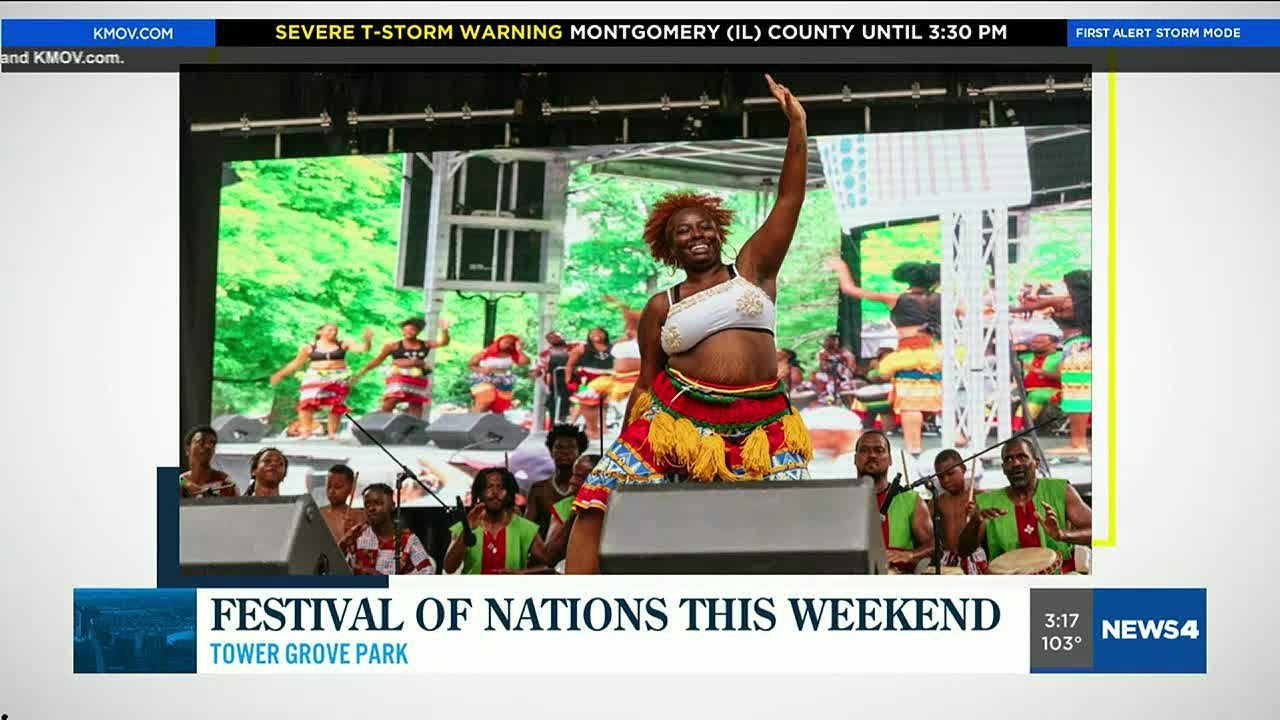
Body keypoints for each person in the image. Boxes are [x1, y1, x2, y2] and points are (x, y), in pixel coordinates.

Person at [567, 74, 813, 574]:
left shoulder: (753, 270)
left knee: (779, 519)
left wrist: (798, 128)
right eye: (684, 231)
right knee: (598, 497)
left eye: (704, 226)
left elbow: (789, 201)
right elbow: (648, 377)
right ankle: (576, 608)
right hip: (676, 416)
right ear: (670, 245)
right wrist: (626, 436)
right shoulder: (663, 304)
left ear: (718, 234)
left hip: (761, 418)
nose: (696, 234)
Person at [827, 258, 943, 454]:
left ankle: (914, 448)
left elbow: (851, 290)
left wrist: (842, 268)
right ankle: (961, 443)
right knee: (945, 399)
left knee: (911, 403)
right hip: (937, 353)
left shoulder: (896, 298)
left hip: (911, 355)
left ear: (908, 280)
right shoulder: (942, 299)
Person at [957, 438, 1092, 574]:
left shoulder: (1061, 490)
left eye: (1022, 457)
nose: (1015, 463)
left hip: (1060, 578)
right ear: (1003, 469)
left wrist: (1063, 535)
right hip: (1009, 584)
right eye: (1009, 459)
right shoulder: (987, 502)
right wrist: (974, 522)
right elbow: (963, 551)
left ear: (1037, 463)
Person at [1012, 270, 1092, 455]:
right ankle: (1077, 442)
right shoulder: (1086, 302)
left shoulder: (1066, 301)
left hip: (1077, 351)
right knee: (1079, 396)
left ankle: (1078, 444)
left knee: (1077, 396)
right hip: (1082, 348)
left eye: (1064, 283)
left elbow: (1024, 308)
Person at [270, 322, 373, 439]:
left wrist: (367, 340)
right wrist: (279, 374)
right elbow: (295, 363)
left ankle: (332, 432)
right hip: (314, 376)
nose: (333, 332)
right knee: (306, 403)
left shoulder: (343, 344)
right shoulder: (309, 347)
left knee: (336, 403)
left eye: (335, 330)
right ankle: (306, 431)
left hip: (337, 376)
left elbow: (363, 349)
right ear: (320, 331)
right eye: (330, 330)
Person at [854, 431, 933, 573]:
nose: (872, 455)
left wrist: (910, 555)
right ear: (855, 459)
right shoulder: (843, 499)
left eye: (879, 450)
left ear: (890, 459)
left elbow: (933, 546)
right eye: (864, 450)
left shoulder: (911, 500)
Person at [444, 468, 547, 574]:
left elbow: (548, 566)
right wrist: (467, 528)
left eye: (501, 487)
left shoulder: (525, 527)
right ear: (480, 493)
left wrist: (522, 574)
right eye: (489, 487)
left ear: (508, 494)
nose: (495, 492)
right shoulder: (465, 526)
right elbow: (449, 567)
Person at [351, 316, 451, 419]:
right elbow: (378, 360)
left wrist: (444, 330)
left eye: (412, 330)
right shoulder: (393, 346)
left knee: (416, 403)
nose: (408, 332)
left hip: (417, 378)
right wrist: (361, 373)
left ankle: (415, 429)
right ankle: (381, 422)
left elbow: (444, 342)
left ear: (418, 331)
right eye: (405, 330)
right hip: (399, 377)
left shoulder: (425, 344)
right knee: (391, 400)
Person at [339, 483, 435, 575]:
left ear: (392, 506)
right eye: (367, 504)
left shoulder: (408, 539)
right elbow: (341, 567)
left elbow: (427, 571)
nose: (371, 508)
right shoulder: (357, 534)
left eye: (378, 503)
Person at [525, 424, 590, 539]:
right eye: (559, 447)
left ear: (579, 452)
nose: (565, 452)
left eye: (570, 447)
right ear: (551, 451)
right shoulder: (538, 489)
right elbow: (527, 529)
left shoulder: (586, 488)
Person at [930, 449, 987, 574]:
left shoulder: (980, 497)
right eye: (941, 477)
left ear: (963, 468)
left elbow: (980, 537)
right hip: (946, 559)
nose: (945, 480)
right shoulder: (937, 502)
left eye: (950, 473)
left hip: (973, 557)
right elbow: (931, 537)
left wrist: (974, 517)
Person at [544, 453, 601, 569]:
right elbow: (549, 556)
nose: (572, 481)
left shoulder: (611, 507)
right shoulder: (563, 507)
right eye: (573, 475)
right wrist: (574, 514)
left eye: (579, 477)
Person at [564, 327, 620, 437]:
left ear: (605, 334)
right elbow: (570, 364)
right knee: (583, 401)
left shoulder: (613, 348)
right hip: (585, 380)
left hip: (607, 379)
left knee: (604, 403)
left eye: (599, 332)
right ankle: (571, 425)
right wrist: (568, 379)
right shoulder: (582, 348)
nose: (596, 334)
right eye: (593, 333)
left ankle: (603, 428)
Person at [467, 334, 530, 414]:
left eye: (511, 344)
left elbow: (525, 362)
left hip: (503, 380)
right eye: (506, 342)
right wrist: (482, 369)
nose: (508, 345)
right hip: (484, 378)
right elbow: (471, 365)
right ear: (499, 341)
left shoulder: (512, 355)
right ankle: (471, 420)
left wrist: (519, 350)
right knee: (484, 400)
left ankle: (495, 424)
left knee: (499, 407)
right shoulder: (485, 353)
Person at [531, 331, 578, 425]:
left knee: (573, 400)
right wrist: (535, 371)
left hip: (574, 379)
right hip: (554, 381)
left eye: (557, 336)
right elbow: (536, 369)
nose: (554, 339)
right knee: (554, 401)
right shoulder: (545, 354)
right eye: (551, 338)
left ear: (563, 336)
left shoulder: (575, 349)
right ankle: (555, 423)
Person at [179, 425, 236, 498]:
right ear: (187, 449)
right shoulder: (182, 480)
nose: (208, 446)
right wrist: (187, 484)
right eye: (201, 441)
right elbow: (180, 479)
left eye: (212, 443)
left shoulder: (225, 483)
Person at [1018, 332, 1063, 422]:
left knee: (1037, 395)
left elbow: (1063, 377)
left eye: (1039, 342)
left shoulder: (1061, 356)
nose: (1034, 345)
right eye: (1033, 342)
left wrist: (1036, 371)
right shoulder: (1023, 357)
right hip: (1024, 391)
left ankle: (1020, 426)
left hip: (1054, 392)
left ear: (1054, 344)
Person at [319, 464, 365, 543]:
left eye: (337, 487)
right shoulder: (318, 513)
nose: (331, 491)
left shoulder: (358, 517)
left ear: (351, 488)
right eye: (329, 486)